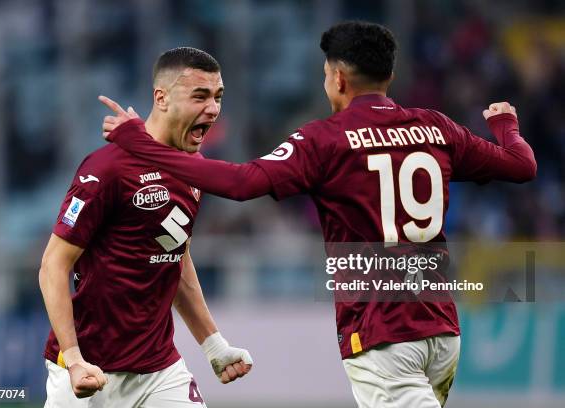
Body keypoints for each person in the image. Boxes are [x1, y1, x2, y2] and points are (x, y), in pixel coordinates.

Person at [99, 22, 536, 408]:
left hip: (383, 332)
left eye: (327, 73)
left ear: (338, 77)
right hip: (442, 330)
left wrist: (142, 144)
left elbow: (240, 183)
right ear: (389, 76)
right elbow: (522, 166)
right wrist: (506, 128)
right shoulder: (436, 127)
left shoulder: (325, 140)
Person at [39, 47, 252, 408]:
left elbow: (174, 254)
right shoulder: (107, 168)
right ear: (162, 98)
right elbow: (53, 266)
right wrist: (74, 360)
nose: (213, 109)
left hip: (160, 372)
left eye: (218, 97)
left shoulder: (194, 169)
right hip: (89, 371)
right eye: (200, 96)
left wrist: (213, 344)